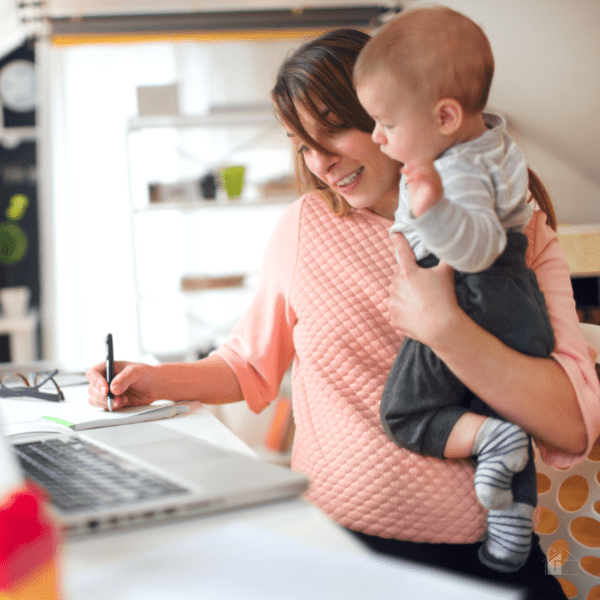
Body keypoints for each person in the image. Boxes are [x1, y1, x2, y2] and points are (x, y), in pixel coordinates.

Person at [86, 28, 600, 599]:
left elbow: (571, 423)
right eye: (303, 144)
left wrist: (446, 332)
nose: (322, 163)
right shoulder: (304, 227)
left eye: (333, 129)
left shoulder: (518, 232)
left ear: (393, 115)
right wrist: (153, 380)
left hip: (487, 560)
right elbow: (246, 364)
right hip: (339, 552)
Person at [353, 6, 552, 573]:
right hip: (514, 304)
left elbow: (478, 246)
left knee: (405, 411)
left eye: (386, 124)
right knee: (499, 407)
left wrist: (432, 210)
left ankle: (492, 442)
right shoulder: (491, 144)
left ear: (444, 116)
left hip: (469, 294)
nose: (376, 136)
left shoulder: (454, 171)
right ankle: (510, 529)